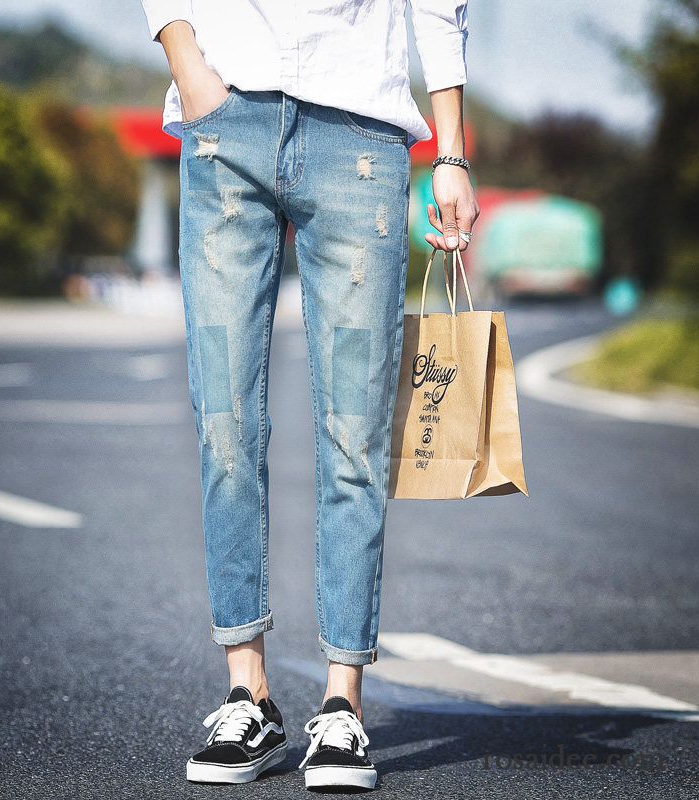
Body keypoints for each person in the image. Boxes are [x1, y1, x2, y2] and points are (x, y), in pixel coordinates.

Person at [139, 0, 478, 790]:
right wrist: (189, 68)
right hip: (227, 124)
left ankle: (342, 706)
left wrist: (452, 153)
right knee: (224, 423)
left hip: (358, 132)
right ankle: (245, 693)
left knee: (353, 434)